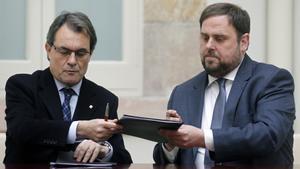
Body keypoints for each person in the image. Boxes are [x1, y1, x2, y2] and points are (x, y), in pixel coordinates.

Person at [153, 2, 295, 167]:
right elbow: (164, 159)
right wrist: (172, 143)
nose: (209, 46)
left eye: (219, 38)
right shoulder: (183, 92)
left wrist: (203, 138)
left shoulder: (271, 80)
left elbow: (268, 135)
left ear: (244, 42)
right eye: (205, 37)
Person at [4, 11, 132, 164]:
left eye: (81, 53)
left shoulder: (104, 99)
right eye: (64, 51)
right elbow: (22, 130)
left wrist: (104, 150)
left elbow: (123, 159)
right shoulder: (23, 86)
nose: (72, 61)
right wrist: (79, 129)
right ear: (48, 50)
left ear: (90, 55)